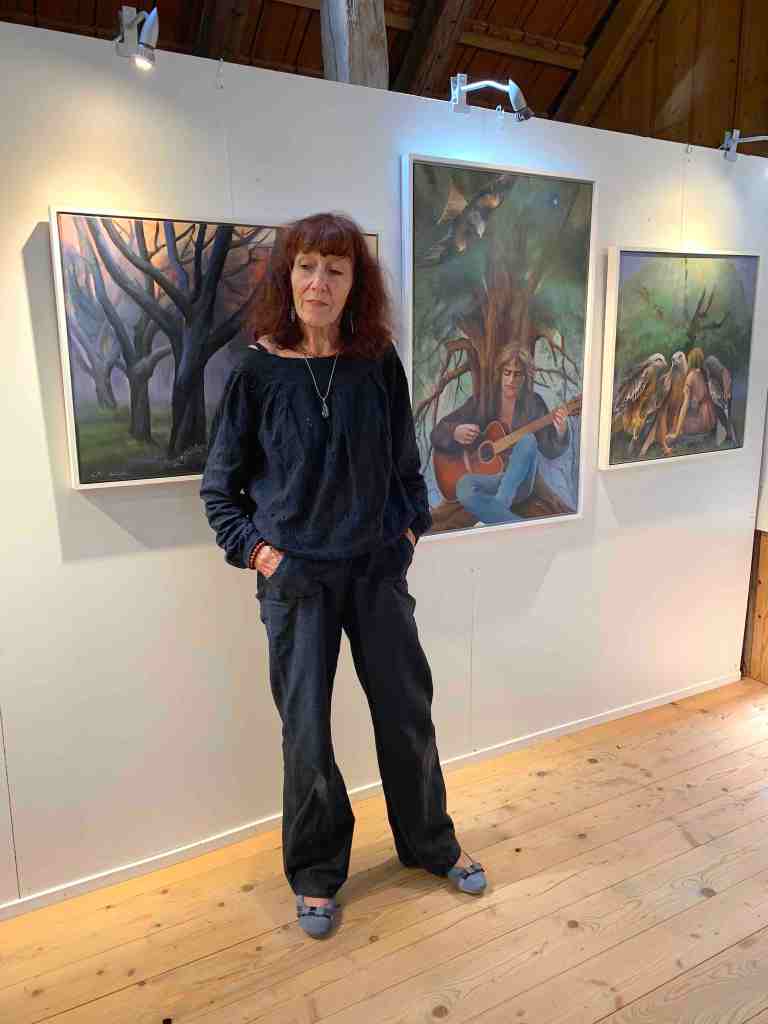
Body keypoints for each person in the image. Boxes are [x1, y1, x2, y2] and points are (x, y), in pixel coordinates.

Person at [200, 213, 487, 940]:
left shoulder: (376, 362)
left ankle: (430, 843)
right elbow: (220, 491)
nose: (318, 283)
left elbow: (407, 469)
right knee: (306, 733)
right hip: (297, 583)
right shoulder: (256, 373)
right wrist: (263, 555)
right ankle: (316, 872)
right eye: (306, 267)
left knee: (407, 712)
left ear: (355, 283)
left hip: (375, 572)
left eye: (335, 269)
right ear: (287, 276)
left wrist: (406, 535)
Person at [431, 344, 570, 524]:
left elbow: (550, 450)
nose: (511, 379)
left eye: (517, 374)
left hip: (520, 482)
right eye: (507, 372)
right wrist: (455, 432)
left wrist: (561, 431)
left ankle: (498, 507)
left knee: (528, 440)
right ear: (500, 373)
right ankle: (507, 519)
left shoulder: (533, 403)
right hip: (492, 479)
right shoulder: (484, 401)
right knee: (463, 486)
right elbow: (438, 432)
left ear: (525, 377)